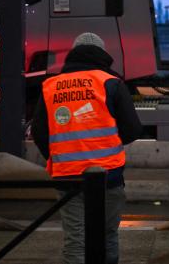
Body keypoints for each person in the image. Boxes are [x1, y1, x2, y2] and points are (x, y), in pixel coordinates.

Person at [31, 32, 142, 264]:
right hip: (108, 176)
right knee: (107, 236)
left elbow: (40, 133)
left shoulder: (50, 86)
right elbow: (132, 130)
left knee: (76, 240)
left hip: (67, 176)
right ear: (102, 54)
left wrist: (58, 155)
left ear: (73, 54)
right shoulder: (111, 83)